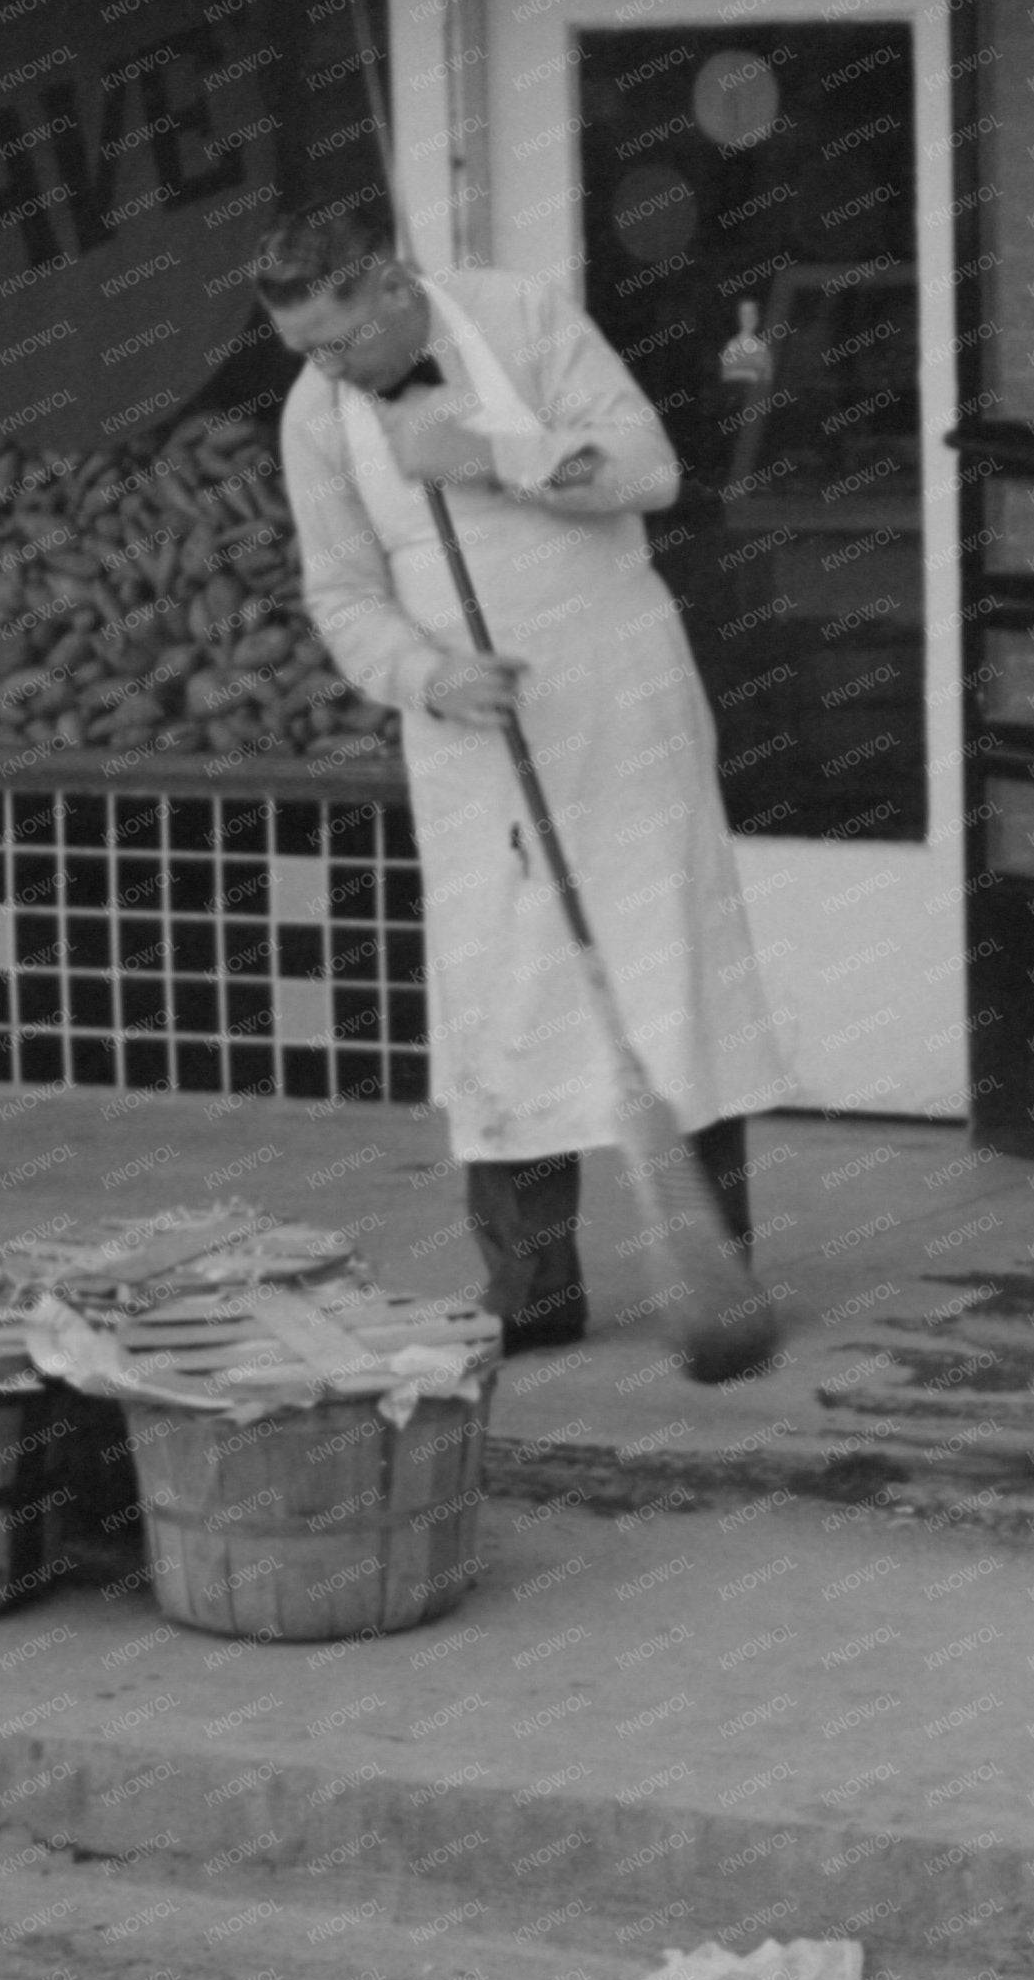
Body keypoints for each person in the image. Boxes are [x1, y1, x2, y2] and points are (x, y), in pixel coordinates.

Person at [253, 214, 792, 1355]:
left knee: (670, 972)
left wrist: (492, 455)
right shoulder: (316, 416)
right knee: (505, 995)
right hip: (475, 731)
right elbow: (341, 592)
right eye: (303, 351)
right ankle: (533, 1289)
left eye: (339, 342)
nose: (327, 369)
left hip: (619, 694)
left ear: (390, 287)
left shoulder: (521, 316)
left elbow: (649, 468)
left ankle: (717, 1268)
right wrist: (428, 676)